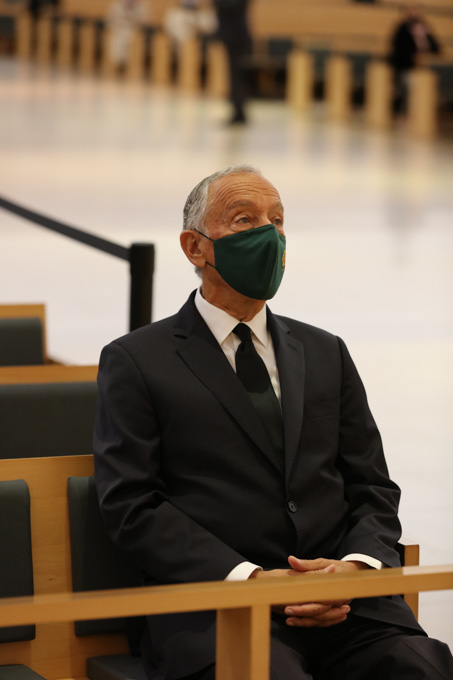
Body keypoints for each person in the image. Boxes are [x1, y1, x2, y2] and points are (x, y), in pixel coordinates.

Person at [93, 165, 453, 680]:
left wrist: (355, 569)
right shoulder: (136, 360)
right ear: (195, 248)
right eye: (245, 220)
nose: (269, 234)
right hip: (217, 605)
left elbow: (372, 486)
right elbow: (132, 505)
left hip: (346, 606)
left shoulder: (326, 351)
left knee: (422, 669)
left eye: (277, 221)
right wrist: (252, 580)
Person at [388, 4, 440, 115]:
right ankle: (405, 111)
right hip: (406, 66)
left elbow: (435, 46)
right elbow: (397, 47)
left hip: (423, 67)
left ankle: (422, 112)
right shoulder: (402, 28)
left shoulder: (424, 28)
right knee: (406, 87)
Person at [211, 0, 252, 124]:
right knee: (233, 75)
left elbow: (231, 6)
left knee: (236, 76)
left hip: (236, 36)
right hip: (232, 36)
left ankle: (239, 111)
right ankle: (237, 109)